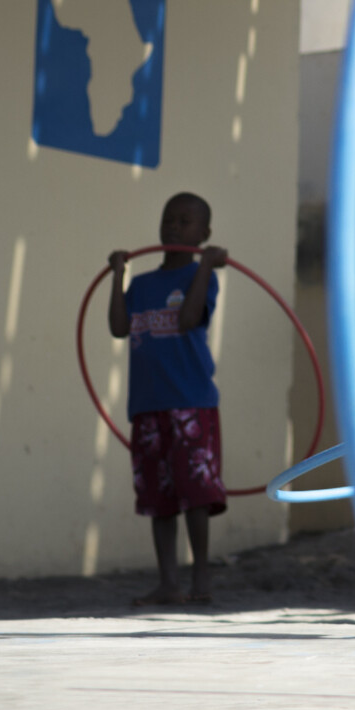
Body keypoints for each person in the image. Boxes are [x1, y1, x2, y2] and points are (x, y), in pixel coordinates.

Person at [108, 191, 229, 605]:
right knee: (159, 498)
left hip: (191, 402)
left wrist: (206, 265)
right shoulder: (141, 284)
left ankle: (201, 580)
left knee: (196, 494)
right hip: (147, 405)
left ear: (203, 234)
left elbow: (188, 318)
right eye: (169, 219)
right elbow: (119, 328)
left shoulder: (202, 278)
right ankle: (168, 582)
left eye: (184, 222)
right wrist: (118, 275)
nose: (174, 227)